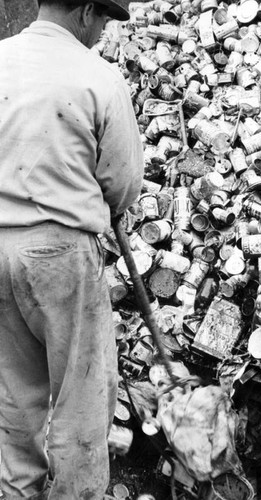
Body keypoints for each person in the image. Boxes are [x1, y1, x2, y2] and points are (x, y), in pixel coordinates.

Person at [0, 0, 144, 498]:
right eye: (104, 20)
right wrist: (108, 202)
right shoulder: (97, 76)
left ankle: (17, 491)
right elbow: (122, 181)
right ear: (86, 12)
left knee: (14, 397)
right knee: (81, 398)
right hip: (59, 254)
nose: (103, 31)